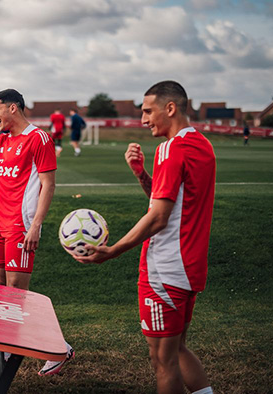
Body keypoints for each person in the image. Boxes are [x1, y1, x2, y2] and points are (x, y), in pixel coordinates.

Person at [75, 81, 215, 394]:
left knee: (162, 361)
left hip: (163, 270)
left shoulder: (170, 149)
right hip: (190, 267)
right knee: (177, 349)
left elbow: (158, 217)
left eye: (148, 111)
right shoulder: (201, 144)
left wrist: (113, 251)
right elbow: (171, 201)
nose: (143, 119)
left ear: (170, 108)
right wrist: (141, 174)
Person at [0, 88, 74, 376]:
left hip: (21, 227)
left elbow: (48, 185)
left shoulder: (38, 139)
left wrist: (36, 226)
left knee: (18, 294)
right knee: (1, 290)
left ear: (13, 108)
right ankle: (6, 351)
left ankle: (59, 347)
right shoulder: (2, 140)